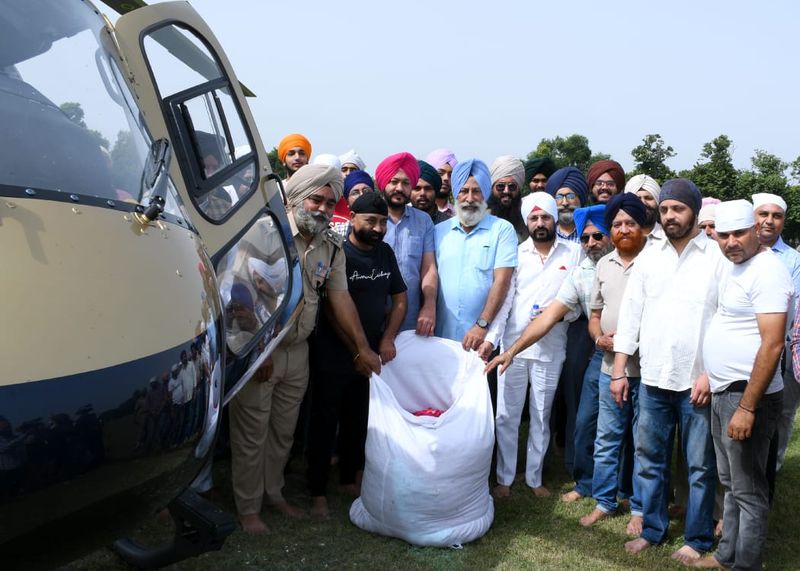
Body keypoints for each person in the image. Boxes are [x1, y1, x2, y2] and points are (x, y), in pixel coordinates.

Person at [229, 164, 381, 535]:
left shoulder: (330, 246)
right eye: (316, 199)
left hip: (298, 351)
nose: (323, 208)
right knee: (253, 433)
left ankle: (273, 493)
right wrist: (258, 350)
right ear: (297, 197)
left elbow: (340, 298)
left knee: (282, 431)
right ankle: (248, 510)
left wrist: (363, 348)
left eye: (331, 202)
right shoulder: (267, 233)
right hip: (258, 349)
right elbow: (238, 293)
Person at [613, 178, 724, 564]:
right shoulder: (650, 256)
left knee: (699, 466)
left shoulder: (716, 256)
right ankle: (653, 530)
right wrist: (620, 370)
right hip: (654, 379)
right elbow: (630, 316)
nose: (670, 216)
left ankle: (697, 538)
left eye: (677, 208)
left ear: (693, 209)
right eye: (664, 210)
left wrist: (710, 374)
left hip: (698, 382)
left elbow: (725, 321)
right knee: (650, 458)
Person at [485, 205, 613, 499]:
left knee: (542, 414)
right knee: (507, 414)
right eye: (534, 217)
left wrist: (559, 315)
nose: (540, 223)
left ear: (555, 219)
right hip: (513, 343)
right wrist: (495, 339)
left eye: (545, 217)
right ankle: (504, 478)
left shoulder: (574, 253)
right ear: (526, 221)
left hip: (552, 345)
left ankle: (534, 477)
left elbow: (581, 303)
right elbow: (504, 300)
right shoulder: (515, 253)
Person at [695, 199, 791, 570]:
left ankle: (745, 565)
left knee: (749, 491)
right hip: (724, 391)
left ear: (755, 230)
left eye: (739, 233)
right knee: (731, 482)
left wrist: (748, 408)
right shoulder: (734, 265)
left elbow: (772, 342)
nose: (731, 241)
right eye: (724, 234)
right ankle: (726, 556)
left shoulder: (767, 270)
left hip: (748, 395)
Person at [307, 192, 407, 518]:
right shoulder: (339, 252)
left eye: (382, 222)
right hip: (335, 351)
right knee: (324, 421)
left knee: (358, 419)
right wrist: (356, 351)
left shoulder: (385, 253)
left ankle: (349, 479)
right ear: (352, 217)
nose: (378, 228)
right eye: (370, 221)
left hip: (370, 354)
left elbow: (400, 299)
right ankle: (316, 490)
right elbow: (333, 311)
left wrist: (388, 339)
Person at [579, 194, 649, 535]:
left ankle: (639, 508)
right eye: (617, 224)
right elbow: (594, 315)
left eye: (630, 223)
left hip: (647, 372)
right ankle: (604, 501)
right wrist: (599, 338)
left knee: (643, 442)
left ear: (642, 227)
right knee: (606, 439)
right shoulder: (604, 264)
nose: (623, 230)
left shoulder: (655, 261)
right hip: (609, 366)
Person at [434, 158, 517, 348]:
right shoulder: (439, 231)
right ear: (455, 194)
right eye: (463, 191)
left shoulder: (502, 230)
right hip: (441, 337)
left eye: (476, 191)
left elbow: (502, 281)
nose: (469, 198)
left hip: (481, 339)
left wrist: (482, 324)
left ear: (485, 195)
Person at [751, 193, 800, 477]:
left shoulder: (793, 260)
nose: (769, 221)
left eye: (776, 216)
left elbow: (790, 308)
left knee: (781, 414)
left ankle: (771, 469)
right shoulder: (740, 251)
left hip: (783, 350)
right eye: (763, 214)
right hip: (745, 348)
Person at [377, 152, 438, 335]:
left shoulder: (424, 221)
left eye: (405, 183)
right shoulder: (369, 219)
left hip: (412, 321)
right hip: (373, 319)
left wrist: (429, 305)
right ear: (383, 183)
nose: (399, 188)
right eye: (393, 181)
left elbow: (428, 269)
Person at [489, 155, 528, 244]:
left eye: (512, 187)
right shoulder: (481, 219)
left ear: (519, 188)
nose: (506, 191)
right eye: (500, 186)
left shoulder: (527, 220)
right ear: (492, 188)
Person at [545, 166, 590, 243]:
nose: (565, 203)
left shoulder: (594, 233)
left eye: (570, 196)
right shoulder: (544, 233)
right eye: (559, 197)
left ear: (580, 199)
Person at [411, 160, 449, 224]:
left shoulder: (448, 224)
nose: (422, 193)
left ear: (436, 191)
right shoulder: (401, 222)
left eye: (428, 189)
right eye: (417, 189)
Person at [426, 148, 458, 217]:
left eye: (450, 175)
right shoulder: (410, 212)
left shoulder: (458, 216)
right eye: (440, 173)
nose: (446, 178)